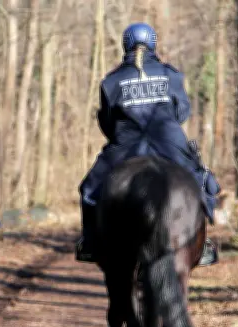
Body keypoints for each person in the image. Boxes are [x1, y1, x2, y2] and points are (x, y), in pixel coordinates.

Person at [75, 22, 221, 265]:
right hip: (168, 139)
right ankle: (202, 243)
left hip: (126, 144)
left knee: (90, 190)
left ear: (125, 45)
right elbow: (182, 112)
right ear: (153, 44)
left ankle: (89, 243)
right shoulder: (171, 75)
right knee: (199, 180)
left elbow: (107, 121)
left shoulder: (111, 81)